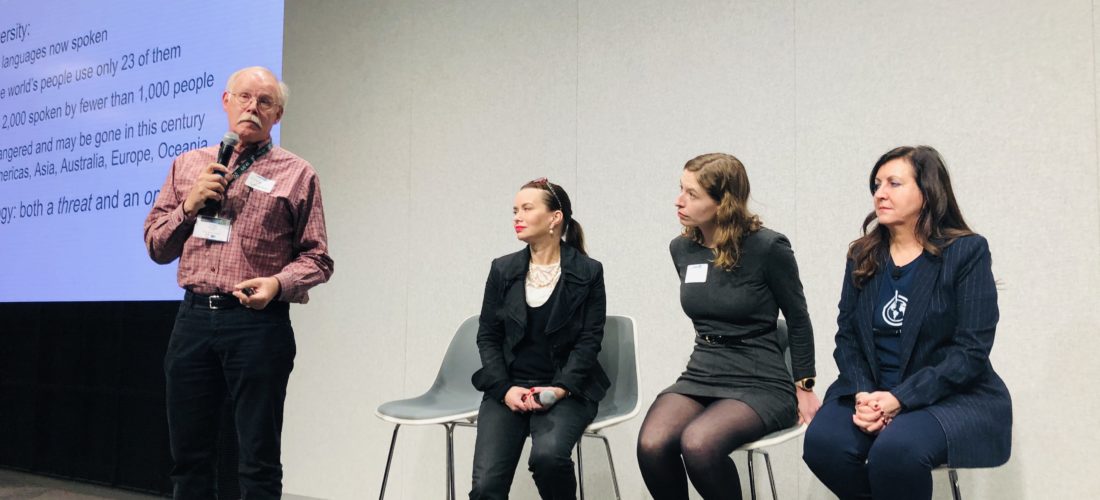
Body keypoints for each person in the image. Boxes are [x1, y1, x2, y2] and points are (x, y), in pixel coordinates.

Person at [143, 66, 333, 499]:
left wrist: (277, 285)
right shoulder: (188, 165)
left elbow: (318, 258)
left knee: (258, 460)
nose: (253, 107)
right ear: (225, 101)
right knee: (189, 458)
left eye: (265, 101)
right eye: (244, 97)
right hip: (193, 321)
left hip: (257, 325)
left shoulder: (297, 173)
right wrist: (189, 206)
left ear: (277, 115)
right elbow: (157, 246)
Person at [802, 146, 1011, 500]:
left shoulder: (966, 252)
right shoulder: (862, 254)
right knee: (823, 444)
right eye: (877, 184)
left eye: (894, 183)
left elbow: (970, 352)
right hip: (871, 389)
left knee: (895, 452)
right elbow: (847, 336)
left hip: (947, 393)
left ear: (927, 192)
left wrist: (900, 398)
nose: (880, 193)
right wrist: (865, 394)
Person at [636, 153, 818, 500]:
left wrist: (805, 385)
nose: (679, 201)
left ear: (723, 203)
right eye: (680, 189)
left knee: (698, 444)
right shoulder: (682, 249)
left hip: (761, 378)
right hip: (703, 370)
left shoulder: (768, 247)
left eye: (692, 194)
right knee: (652, 444)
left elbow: (798, 318)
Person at [468, 178, 609, 500]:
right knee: (486, 486)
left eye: (527, 209)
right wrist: (504, 389)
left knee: (548, 459)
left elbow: (589, 341)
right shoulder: (502, 269)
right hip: (508, 387)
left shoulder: (588, 271)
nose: (517, 217)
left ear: (554, 218)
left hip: (566, 389)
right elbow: (488, 336)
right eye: (515, 210)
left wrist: (559, 389)